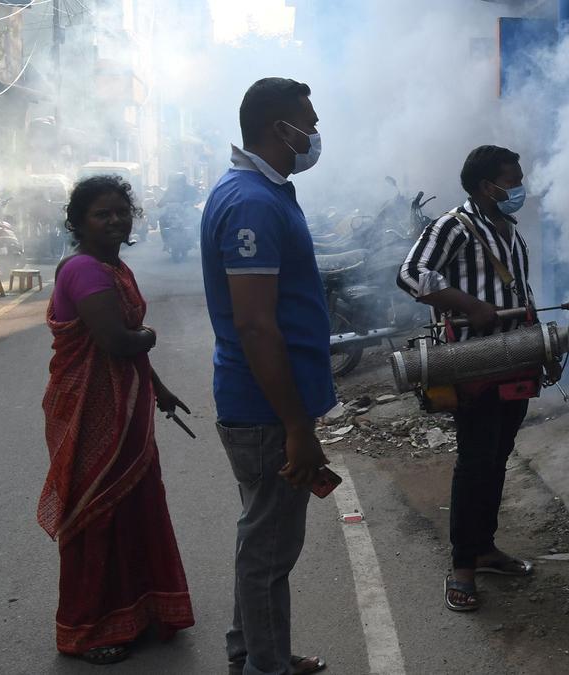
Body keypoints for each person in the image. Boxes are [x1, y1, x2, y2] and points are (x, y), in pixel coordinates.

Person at [200, 77, 331, 675]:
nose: (316, 132)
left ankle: (254, 651)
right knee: (270, 551)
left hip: (268, 407)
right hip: (266, 411)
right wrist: (296, 425)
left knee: (263, 539)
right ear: (282, 129)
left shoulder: (264, 191)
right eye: (311, 121)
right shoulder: (251, 200)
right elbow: (256, 327)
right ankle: (265, 667)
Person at [38, 175, 195, 664]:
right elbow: (118, 342)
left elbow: (128, 351)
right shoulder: (86, 270)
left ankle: (140, 609)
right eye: (102, 214)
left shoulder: (114, 267)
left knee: (135, 506)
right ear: (78, 222)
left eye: (121, 212)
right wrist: (148, 336)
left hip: (124, 405)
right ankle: (86, 629)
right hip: (89, 411)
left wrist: (160, 390)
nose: (115, 221)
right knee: (97, 511)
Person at [397, 145, 536, 611]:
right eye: (511, 181)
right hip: (473, 363)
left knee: (498, 457)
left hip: (516, 358)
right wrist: (469, 306)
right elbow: (411, 274)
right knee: (475, 462)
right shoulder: (454, 226)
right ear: (486, 187)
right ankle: (462, 568)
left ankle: (485, 548)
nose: (519, 188)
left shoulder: (510, 230)